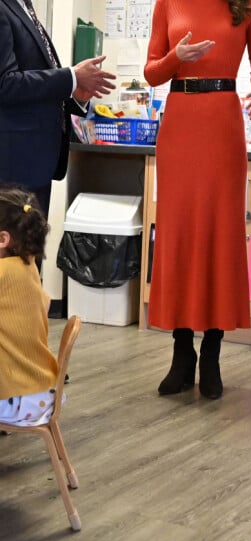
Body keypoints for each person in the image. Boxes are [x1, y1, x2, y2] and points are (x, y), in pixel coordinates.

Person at [144, 0, 251, 399]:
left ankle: (212, 351)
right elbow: (151, 73)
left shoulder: (249, 3)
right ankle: (182, 353)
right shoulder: (167, 2)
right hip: (180, 121)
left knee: (220, 233)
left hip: (223, 123)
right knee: (178, 234)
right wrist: (175, 57)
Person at [0, 0, 116, 221]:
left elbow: (36, 87)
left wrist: (75, 96)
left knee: (32, 252)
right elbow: (5, 83)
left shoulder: (26, 9)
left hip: (37, 163)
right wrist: (71, 77)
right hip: (13, 167)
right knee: (14, 254)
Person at [0, 187, 60, 426]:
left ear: (3, 239)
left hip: (18, 398)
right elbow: (44, 303)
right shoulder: (27, 267)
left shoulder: (4, 272)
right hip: (39, 392)